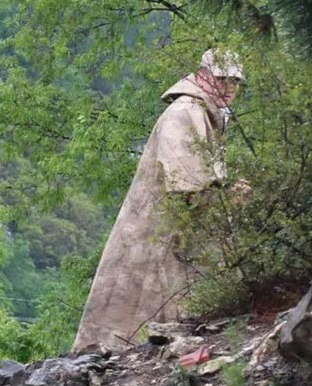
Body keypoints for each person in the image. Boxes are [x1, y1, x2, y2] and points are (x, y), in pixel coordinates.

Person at [73, 48, 249, 351]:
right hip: (160, 235)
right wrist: (230, 200)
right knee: (129, 324)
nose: (229, 87)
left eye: (235, 81)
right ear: (204, 76)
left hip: (170, 236)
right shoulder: (185, 114)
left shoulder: (206, 115)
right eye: (222, 79)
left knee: (143, 324)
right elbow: (188, 191)